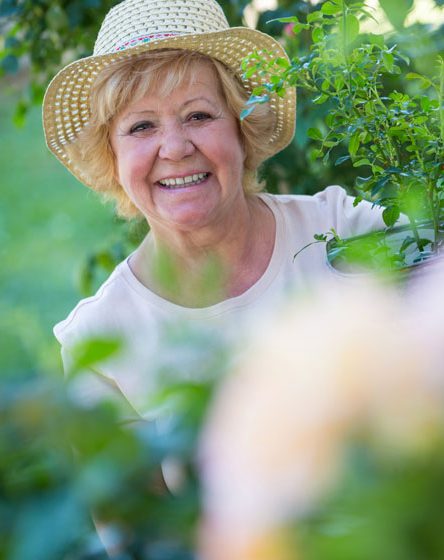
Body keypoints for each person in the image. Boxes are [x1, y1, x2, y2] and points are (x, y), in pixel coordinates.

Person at [44, 0, 386, 420]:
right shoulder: (97, 343)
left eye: (198, 115)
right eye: (141, 126)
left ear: (243, 131)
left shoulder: (342, 229)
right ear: (111, 157)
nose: (175, 148)